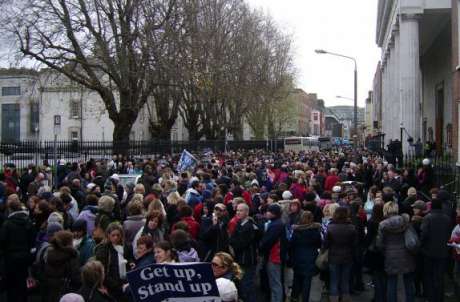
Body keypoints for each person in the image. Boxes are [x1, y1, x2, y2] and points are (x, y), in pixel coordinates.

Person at [377, 202, 416, 302]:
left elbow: (379, 243)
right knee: (408, 282)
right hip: (406, 254)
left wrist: (383, 250)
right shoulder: (405, 221)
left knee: (391, 282)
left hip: (390, 255)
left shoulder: (382, 225)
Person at [0, 194, 36, 302]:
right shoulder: (28, 222)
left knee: (11, 286)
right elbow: (32, 241)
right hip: (25, 258)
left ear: (10, 209)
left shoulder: (7, 224)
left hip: (10, 259)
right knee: (22, 284)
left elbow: (2, 242)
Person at [421, 198, 453, 302]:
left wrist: (422, 246)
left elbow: (424, 234)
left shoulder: (427, 218)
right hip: (443, 252)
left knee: (429, 276)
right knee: (439, 277)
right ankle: (439, 298)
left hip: (429, 252)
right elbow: (449, 235)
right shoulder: (447, 219)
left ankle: (431, 298)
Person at [324, 206, 357, 302]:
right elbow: (354, 244)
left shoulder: (330, 227)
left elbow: (326, 244)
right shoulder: (351, 228)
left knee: (334, 280)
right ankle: (345, 298)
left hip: (333, 256)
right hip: (347, 256)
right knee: (345, 280)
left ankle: (334, 298)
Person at [229, 203, 259, 302]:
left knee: (247, 285)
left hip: (247, 260)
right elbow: (232, 239)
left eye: (240, 210)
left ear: (247, 212)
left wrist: (234, 242)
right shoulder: (240, 223)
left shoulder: (250, 226)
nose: (238, 212)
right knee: (242, 284)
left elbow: (241, 244)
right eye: (237, 210)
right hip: (240, 259)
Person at [289, 211, 321, 302]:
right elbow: (319, 244)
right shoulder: (315, 230)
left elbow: (292, 244)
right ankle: (305, 299)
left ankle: (294, 296)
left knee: (297, 277)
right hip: (311, 256)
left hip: (298, 255)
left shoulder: (297, 230)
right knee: (307, 280)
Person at [42, 230, 81, 302]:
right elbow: (76, 277)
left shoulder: (49, 254)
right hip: (65, 292)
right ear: (69, 243)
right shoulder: (71, 256)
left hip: (49, 292)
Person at [94, 222, 129, 302]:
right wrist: (117, 286)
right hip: (111, 286)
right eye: (113, 235)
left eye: (118, 235)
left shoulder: (124, 247)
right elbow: (103, 271)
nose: (116, 238)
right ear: (108, 235)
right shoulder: (103, 249)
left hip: (124, 283)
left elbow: (128, 258)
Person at [259, 203, 286, 302]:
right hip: (275, 256)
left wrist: (260, 247)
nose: (267, 213)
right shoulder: (277, 223)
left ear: (274, 213)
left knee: (275, 283)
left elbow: (267, 241)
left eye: (269, 211)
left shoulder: (276, 225)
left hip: (274, 257)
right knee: (275, 282)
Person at [364, 203, 385, 302]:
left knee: (376, 276)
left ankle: (378, 297)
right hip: (384, 250)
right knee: (383, 276)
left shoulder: (371, 221)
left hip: (374, 251)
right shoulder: (385, 221)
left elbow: (368, 237)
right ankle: (383, 296)